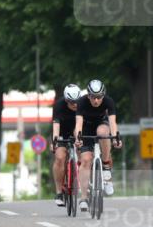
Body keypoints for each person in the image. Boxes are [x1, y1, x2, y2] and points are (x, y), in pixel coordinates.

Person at [74, 79, 121, 211]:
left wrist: (116, 137)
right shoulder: (81, 102)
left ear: (103, 95)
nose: (96, 101)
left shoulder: (108, 101)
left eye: (99, 97)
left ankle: (106, 165)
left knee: (102, 132)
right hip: (86, 127)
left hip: (102, 123)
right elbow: (78, 123)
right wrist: (78, 137)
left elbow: (112, 123)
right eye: (93, 97)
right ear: (88, 95)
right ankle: (83, 197)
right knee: (86, 160)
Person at [51, 83, 81, 206]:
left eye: (76, 101)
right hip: (62, 132)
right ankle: (59, 192)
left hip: (77, 129)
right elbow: (56, 126)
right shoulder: (59, 105)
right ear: (66, 99)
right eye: (71, 102)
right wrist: (55, 141)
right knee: (60, 157)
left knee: (84, 151)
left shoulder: (83, 104)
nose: (75, 104)